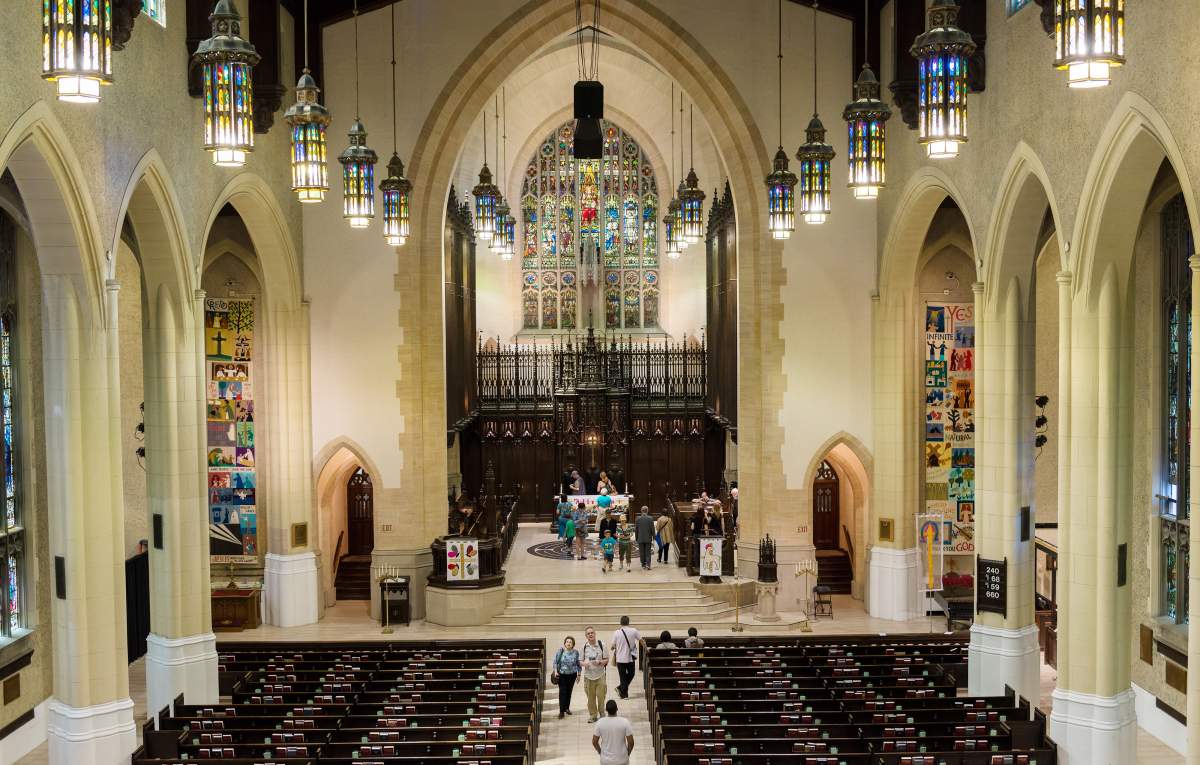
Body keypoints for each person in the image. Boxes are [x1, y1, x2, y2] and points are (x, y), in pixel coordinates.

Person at [592, 700, 634, 765]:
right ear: (617, 709)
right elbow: (631, 742)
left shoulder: (600, 722)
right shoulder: (625, 722)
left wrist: (600, 752)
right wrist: (627, 754)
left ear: (606, 710)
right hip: (622, 759)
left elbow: (594, 742)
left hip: (606, 760)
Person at [581, 626, 609, 723]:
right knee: (591, 697)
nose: (590, 635)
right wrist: (584, 664)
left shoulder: (602, 645)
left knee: (601, 696)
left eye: (592, 633)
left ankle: (602, 713)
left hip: (600, 675)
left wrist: (600, 662)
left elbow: (606, 660)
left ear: (595, 633)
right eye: (588, 634)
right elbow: (580, 661)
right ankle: (593, 715)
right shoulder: (584, 647)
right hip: (588, 677)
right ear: (586, 636)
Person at [611, 616, 641, 699]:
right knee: (631, 674)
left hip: (620, 659)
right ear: (628, 622)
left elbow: (612, 646)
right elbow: (641, 640)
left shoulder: (616, 632)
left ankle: (620, 688)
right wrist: (646, 648)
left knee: (623, 676)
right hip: (630, 658)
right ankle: (624, 694)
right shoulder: (634, 631)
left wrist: (613, 647)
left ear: (620, 623)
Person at [553, 636, 582, 719]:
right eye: (567, 642)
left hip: (572, 675)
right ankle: (561, 711)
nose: (568, 643)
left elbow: (578, 664)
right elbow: (555, 662)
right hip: (562, 675)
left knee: (569, 692)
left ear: (573, 644)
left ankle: (567, 708)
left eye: (570, 642)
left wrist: (579, 675)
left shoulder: (576, 652)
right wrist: (555, 671)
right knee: (562, 692)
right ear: (565, 643)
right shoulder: (560, 651)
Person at [635, 506, 656, 570]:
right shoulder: (650, 518)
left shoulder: (638, 519)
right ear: (647, 511)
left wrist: (636, 538)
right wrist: (654, 537)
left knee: (641, 552)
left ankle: (643, 564)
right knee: (648, 552)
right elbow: (652, 529)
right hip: (648, 538)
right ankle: (648, 565)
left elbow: (636, 530)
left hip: (640, 538)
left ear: (641, 511)